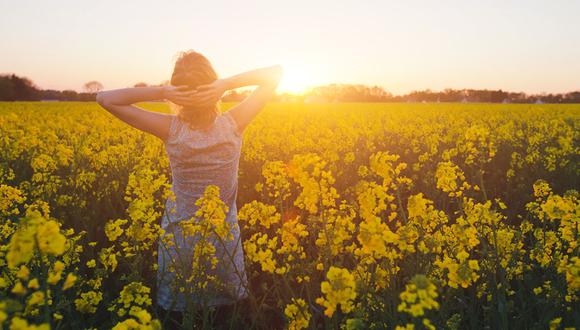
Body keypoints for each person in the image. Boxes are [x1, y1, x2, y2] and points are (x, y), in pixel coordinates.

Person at [96, 50, 283, 328]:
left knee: (179, 317)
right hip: (223, 239)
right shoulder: (234, 124)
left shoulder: (170, 128)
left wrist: (162, 91)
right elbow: (275, 73)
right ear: (213, 89)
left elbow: (105, 98)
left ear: (176, 93)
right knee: (227, 316)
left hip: (180, 240)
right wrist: (224, 85)